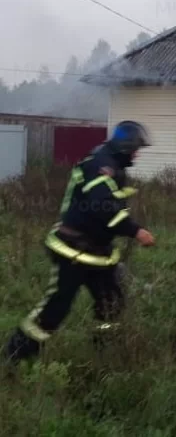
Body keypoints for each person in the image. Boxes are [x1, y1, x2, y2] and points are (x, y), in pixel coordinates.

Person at [3, 120, 156, 364]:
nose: (137, 154)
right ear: (125, 146)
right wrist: (136, 231)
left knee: (111, 303)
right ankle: (14, 356)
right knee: (56, 308)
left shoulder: (112, 163)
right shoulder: (100, 164)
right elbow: (102, 206)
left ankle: (103, 352)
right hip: (72, 250)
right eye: (136, 149)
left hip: (98, 253)